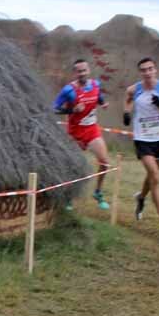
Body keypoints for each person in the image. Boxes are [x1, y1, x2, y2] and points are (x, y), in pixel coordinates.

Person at [123, 57, 159, 232]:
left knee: (152, 176)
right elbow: (127, 99)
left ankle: (141, 197)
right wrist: (126, 112)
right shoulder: (134, 89)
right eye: (144, 70)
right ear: (140, 72)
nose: (147, 72)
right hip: (143, 138)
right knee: (155, 176)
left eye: (150, 69)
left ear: (155, 70)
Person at [53, 59, 112, 209]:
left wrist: (103, 103)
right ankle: (68, 196)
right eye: (79, 71)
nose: (82, 73)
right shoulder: (69, 90)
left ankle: (98, 192)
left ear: (89, 70)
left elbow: (97, 96)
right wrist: (72, 110)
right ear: (75, 73)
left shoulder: (95, 84)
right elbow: (54, 108)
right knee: (73, 166)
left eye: (84, 70)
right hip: (75, 133)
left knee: (105, 162)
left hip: (92, 130)